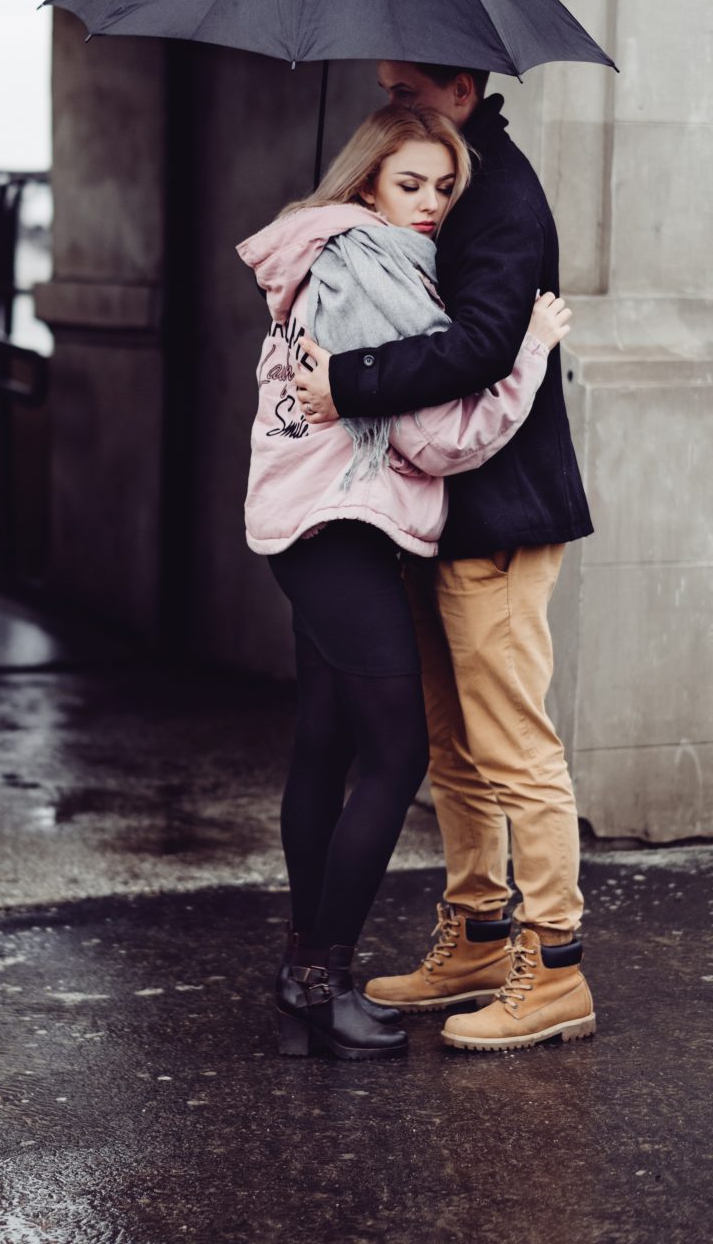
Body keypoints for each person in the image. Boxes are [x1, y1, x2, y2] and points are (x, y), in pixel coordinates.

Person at [237, 105, 572, 1061]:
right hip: (340, 527)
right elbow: (438, 438)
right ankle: (325, 974)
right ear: (364, 187)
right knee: (397, 755)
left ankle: (305, 966)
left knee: (325, 740)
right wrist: (528, 355)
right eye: (408, 186)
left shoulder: (328, 253)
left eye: (442, 189)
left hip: (310, 522)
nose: (429, 207)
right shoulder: (375, 270)